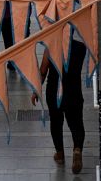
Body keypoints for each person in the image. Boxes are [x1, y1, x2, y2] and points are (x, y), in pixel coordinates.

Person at [31, 36, 86, 173]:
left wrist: (36, 90)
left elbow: (43, 70)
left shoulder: (51, 46)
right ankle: (77, 149)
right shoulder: (81, 46)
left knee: (56, 122)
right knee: (76, 122)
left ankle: (60, 154)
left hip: (54, 91)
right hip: (74, 90)